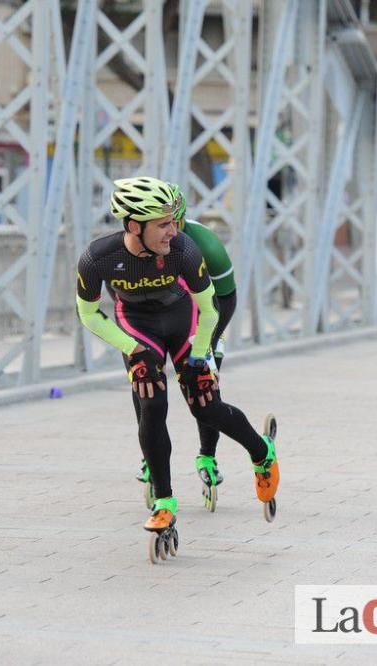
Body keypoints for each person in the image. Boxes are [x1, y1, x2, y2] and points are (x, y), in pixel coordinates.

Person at [75, 176, 279, 537]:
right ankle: (165, 504)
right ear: (134, 225)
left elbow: (211, 310)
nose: (174, 230)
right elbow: (90, 314)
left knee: (205, 404)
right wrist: (131, 349)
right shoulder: (98, 259)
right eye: (163, 224)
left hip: (184, 320)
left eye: (174, 221)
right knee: (151, 400)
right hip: (137, 326)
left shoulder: (185, 250)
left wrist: (202, 358)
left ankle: (261, 452)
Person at [133, 183, 237, 509]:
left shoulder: (205, 244)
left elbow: (227, 300)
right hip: (158, 315)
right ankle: (151, 456)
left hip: (204, 314)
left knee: (205, 385)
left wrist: (208, 344)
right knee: (146, 384)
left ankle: (207, 454)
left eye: (172, 225)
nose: (169, 234)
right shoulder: (135, 243)